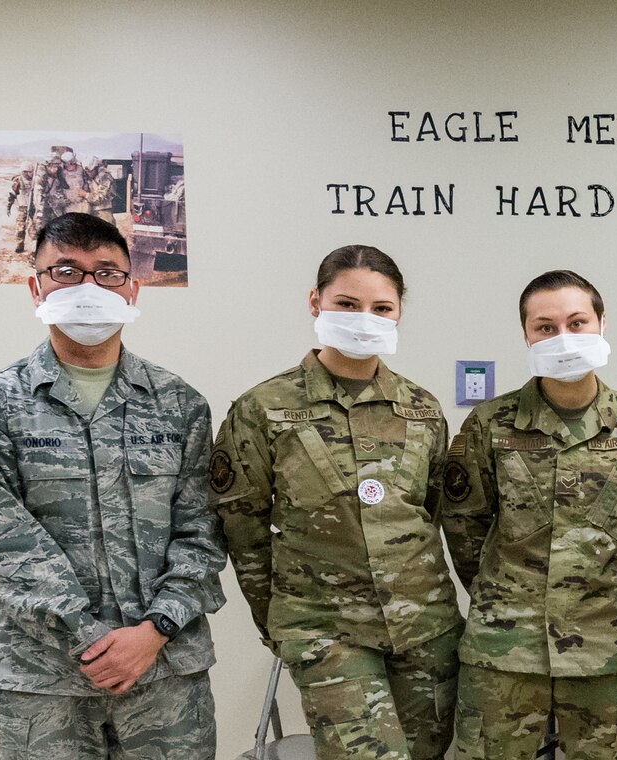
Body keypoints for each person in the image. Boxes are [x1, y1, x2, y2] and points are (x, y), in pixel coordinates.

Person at [0, 212, 224, 758]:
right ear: (36, 287)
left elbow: (204, 531)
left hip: (165, 678)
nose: (87, 287)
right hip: (40, 686)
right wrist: (90, 638)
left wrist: (153, 631)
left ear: (131, 288)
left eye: (106, 272)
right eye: (66, 271)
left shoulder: (180, 405)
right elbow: (0, 540)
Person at [212, 245, 461, 760]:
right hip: (326, 628)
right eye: (347, 304)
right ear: (315, 301)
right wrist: (280, 623)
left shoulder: (421, 408)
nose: (363, 319)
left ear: (398, 314)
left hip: (425, 627)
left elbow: (432, 512)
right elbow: (243, 527)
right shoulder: (264, 408)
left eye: (381, 308)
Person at [439, 270, 617, 760]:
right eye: (545, 326)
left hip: (606, 644)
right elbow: (463, 525)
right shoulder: (489, 423)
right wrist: (502, 592)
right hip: (505, 647)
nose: (562, 337)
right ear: (526, 334)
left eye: (577, 322)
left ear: (602, 324)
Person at [5, 161, 41, 253]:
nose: (30, 174)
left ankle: (35, 246)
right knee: (20, 227)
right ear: (24, 172)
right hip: (22, 207)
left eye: (31, 172)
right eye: (28, 172)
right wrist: (9, 206)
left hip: (33, 207)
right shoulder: (17, 181)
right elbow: (12, 195)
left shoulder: (35, 181)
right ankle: (19, 244)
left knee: (35, 227)